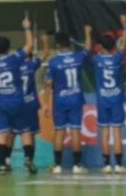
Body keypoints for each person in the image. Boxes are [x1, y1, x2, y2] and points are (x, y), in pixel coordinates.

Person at [0, 15, 34, 175]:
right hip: (17, 101)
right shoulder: (14, 59)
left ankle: (2, 165)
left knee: (1, 134)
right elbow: (30, 45)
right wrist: (26, 27)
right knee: (25, 131)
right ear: (8, 47)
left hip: (0, 104)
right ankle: (28, 160)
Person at [45, 26, 92, 174]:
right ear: (69, 43)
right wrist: (87, 33)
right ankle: (77, 165)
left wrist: (47, 103)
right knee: (75, 131)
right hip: (76, 98)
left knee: (59, 132)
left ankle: (58, 166)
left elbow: (48, 84)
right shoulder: (78, 57)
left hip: (60, 100)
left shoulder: (53, 62)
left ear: (57, 45)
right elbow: (88, 48)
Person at [92, 15, 126, 174]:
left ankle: (106, 165)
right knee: (117, 133)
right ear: (114, 46)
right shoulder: (117, 58)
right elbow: (124, 45)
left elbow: (93, 50)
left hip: (102, 101)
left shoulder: (96, 59)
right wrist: (125, 27)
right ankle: (119, 166)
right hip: (116, 100)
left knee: (105, 133)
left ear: (101, 46)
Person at [18, 33, 49, 173]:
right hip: (30, 103)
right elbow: (45, 53)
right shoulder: (31, 65)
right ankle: (29, 159)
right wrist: (45, 41)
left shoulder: (13, 68)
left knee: (9, 133)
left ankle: (4, 162)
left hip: (17, 103)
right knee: (30, 133)